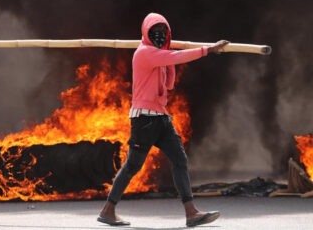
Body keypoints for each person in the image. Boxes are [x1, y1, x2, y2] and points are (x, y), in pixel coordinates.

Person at [97, 12, 229, 227]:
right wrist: (208, 50)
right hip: (144, 121)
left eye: (163, 32)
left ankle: (191, 212)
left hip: (161, 120)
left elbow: (168, 85)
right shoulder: (144, 53)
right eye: (154, 31)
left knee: (180, 160)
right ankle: (108, 210)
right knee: (132, 166)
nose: (159, 35)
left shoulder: (159, 55)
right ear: (146, 33)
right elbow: (177, 57)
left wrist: (166, 52)